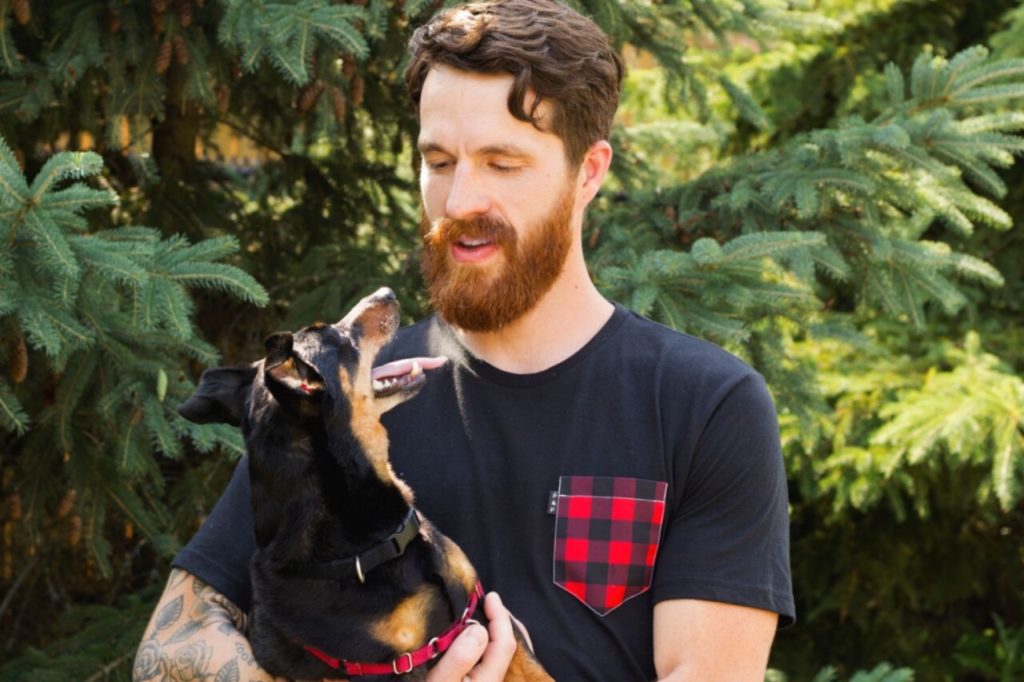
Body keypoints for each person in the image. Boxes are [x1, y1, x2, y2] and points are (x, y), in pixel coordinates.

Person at [134, 1, 795, 680]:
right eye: (439, 161)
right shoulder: (343, 398)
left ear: (589, 172)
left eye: (502, 164)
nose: (458, 203)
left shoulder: (702, 405)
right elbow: (170, 650)